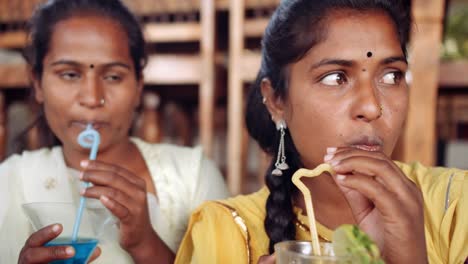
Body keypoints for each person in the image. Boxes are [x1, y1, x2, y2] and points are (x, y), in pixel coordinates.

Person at [175, 0, 468, 263]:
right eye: (335, 77)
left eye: (391, 76)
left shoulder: (456, 206)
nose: (371, 107)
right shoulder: (227, 232)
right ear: (277, 101)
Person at [0, 0, 229, 263]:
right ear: (37, 83)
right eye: (70, 74)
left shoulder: (192, 177)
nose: (92, 97)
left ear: (138, 87)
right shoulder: (10, 181)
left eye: (113, 77)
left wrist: (146, 244)